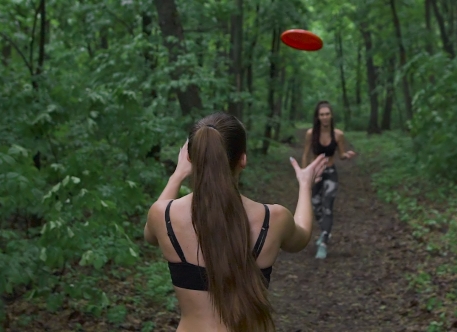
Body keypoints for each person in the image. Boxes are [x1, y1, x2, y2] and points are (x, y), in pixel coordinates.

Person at [144, 112, 327, 332]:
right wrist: (305, 185)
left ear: (192, 159)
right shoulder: (274, 218)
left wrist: (177, 174)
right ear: (243, 159)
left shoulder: (162, 216)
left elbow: (150, 234)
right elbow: (302, 236)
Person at [301, 101, 356, 260]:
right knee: (315, 205)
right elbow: (305, 154)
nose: (325, 117)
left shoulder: (338, 134)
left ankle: (323, 242)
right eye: (322, 114)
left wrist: (347, 156)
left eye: (327, 114)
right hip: (316, 173)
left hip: (331, 173)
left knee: (328, 207)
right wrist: (305, 173)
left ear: (331, 116)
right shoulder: (311, 134)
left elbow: (341, 154)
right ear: (317, 117)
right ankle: (325, 230)